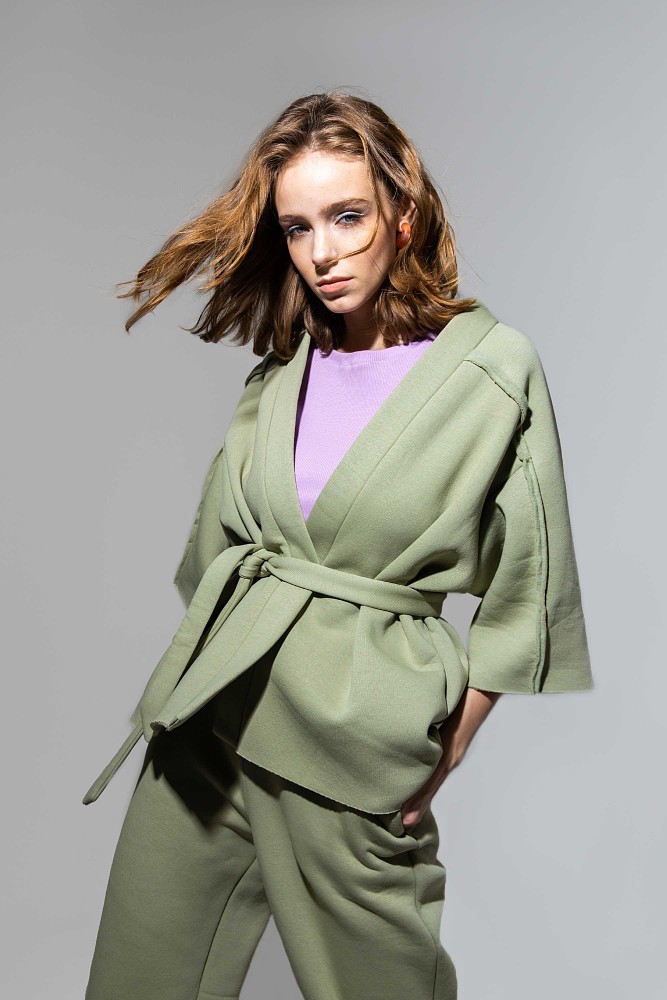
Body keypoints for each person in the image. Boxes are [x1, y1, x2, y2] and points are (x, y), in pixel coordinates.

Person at [82, 91, 593, 1000]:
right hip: (210, 724)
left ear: (403, 215)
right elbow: (211, 555)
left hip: (349, 742)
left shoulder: (490, 370)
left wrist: (447, 746)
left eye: (347, 216)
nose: (321, 252)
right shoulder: (280, 373)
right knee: (139, 980)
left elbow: (529, 588)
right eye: (297, 227)